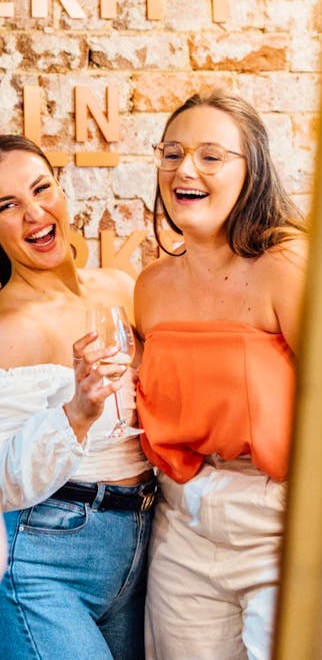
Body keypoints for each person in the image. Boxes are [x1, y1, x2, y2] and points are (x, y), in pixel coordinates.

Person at [134, 90, 307, 660]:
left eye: (212, 156)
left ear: (251, 171)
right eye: (173, 152)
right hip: (183, 521)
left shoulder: (287, 268)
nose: (186, 169)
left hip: (281, 525)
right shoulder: (151, 287)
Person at [0, 134, 156, 660]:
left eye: (42, 189)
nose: (34, 213)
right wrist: (77, 413)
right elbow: (2, 480)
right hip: (45, 556)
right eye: (7, 205)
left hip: (145, 542)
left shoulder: (120, 286)